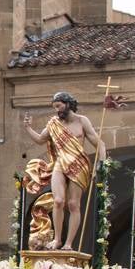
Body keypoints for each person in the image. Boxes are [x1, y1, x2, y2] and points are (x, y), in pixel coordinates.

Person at [20, 92, 104, 250]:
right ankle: (57, 239)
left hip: (79, 164)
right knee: (58, 201)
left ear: (68, 104)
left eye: (59, 106)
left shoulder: (82, 121)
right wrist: (28, 127)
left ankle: (68, 243)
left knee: (73, 204)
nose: (57, 110)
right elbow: (40, 139)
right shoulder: (53, 123)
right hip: (60, 163)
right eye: (55, 108)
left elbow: (100, 144)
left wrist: (101, 163)